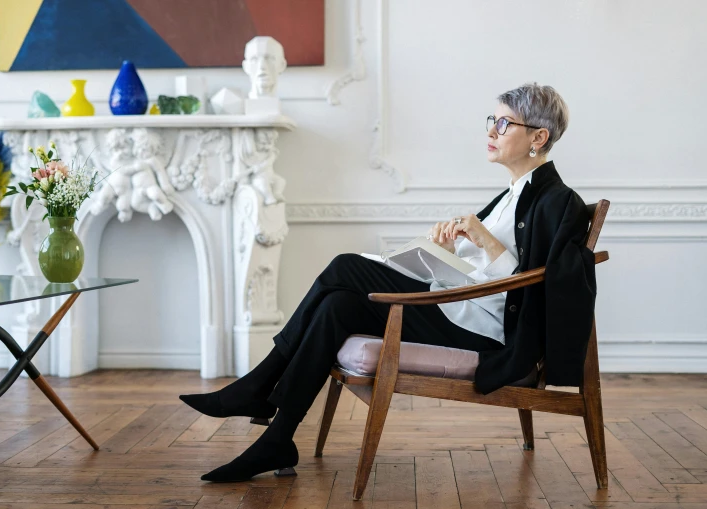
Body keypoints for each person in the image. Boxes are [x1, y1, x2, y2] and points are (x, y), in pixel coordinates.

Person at [180, 83, 597, 483]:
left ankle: (257, 385)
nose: (491, 130)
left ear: (538, 137)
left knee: (345, 265)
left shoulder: (557, 200)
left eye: (504, 124)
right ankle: (278, 438)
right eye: (492, 119)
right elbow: (489, 271)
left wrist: (481, 236)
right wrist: (444, 253)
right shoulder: (511, 195)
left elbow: (533, 287)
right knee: (336, 307)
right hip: (456, 307)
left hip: (484, 332)